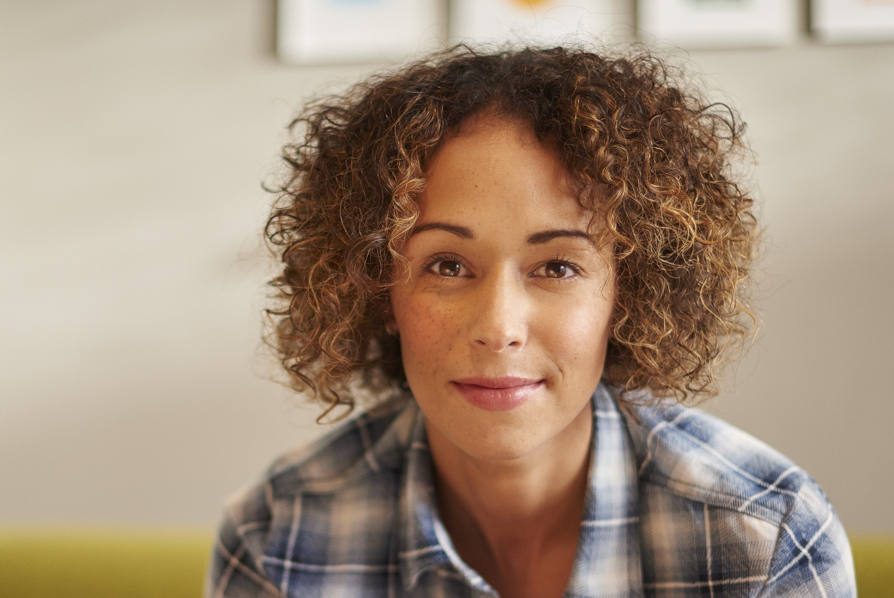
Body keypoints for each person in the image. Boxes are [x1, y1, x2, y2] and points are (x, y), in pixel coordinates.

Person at [207, 45, 855, 598]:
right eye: (448, 265)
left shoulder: (768, 540)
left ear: (629, 293)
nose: (500, 327)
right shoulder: (278, 539)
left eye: (557, 267)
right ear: (377, 285)